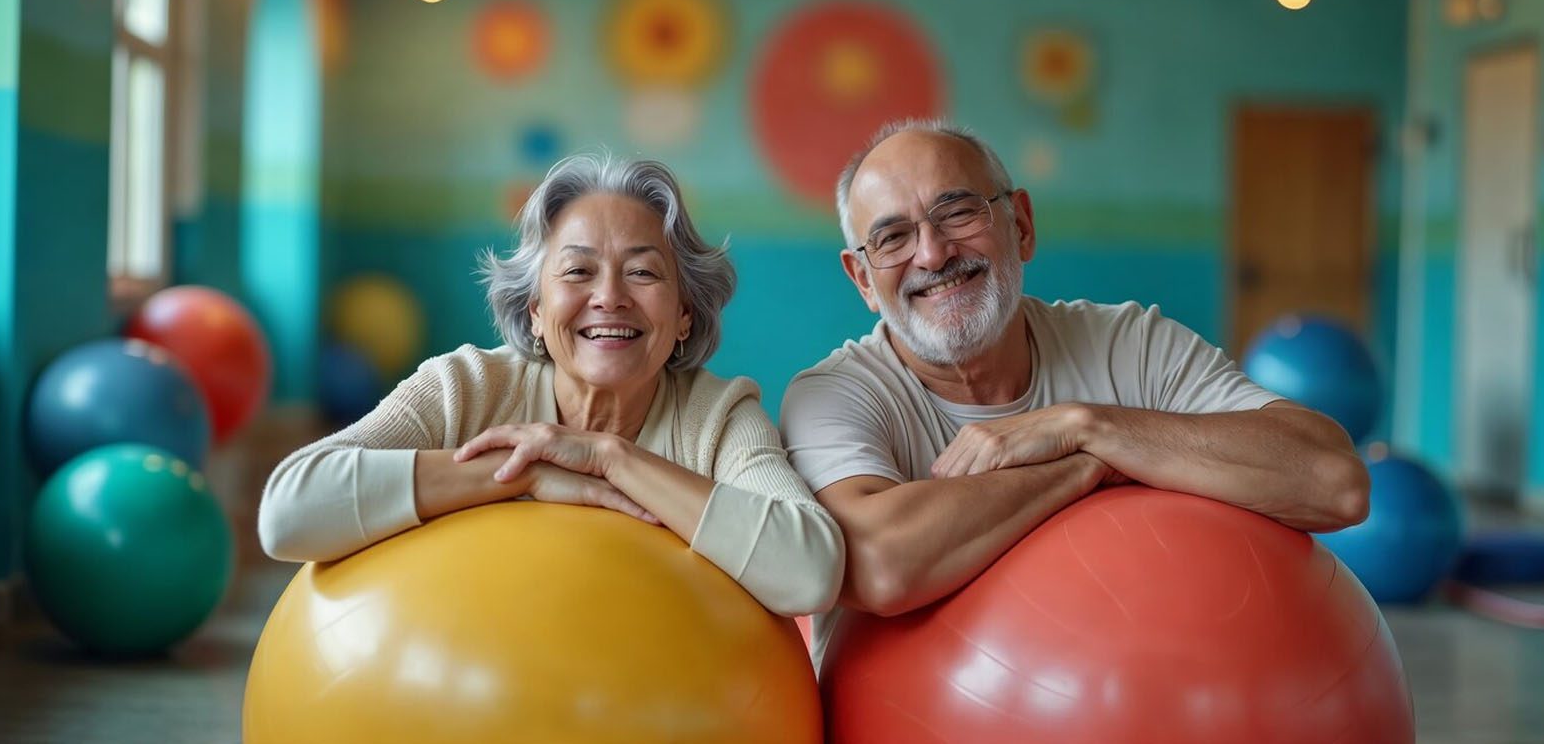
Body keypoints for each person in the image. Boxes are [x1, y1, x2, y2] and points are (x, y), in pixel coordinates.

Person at [781, 119, 1371, 666]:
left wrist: (1089, 425)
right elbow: (879, 563)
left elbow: (1335, 482)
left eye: (958, 213)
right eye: (892, 238)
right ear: (862, 278)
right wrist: (1089, 467)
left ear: (1022, 226)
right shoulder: (834, 396)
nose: (933, 253)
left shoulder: (1131, 345)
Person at [260, 153, 844, 617]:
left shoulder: (718, 418)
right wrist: (525, 473)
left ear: (685, 313)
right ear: (536, 309)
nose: (610, 296)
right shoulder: (466, 387)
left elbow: (811, 571)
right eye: (577, 271)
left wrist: (609, 458)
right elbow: (288, 511)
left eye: (642, 272)